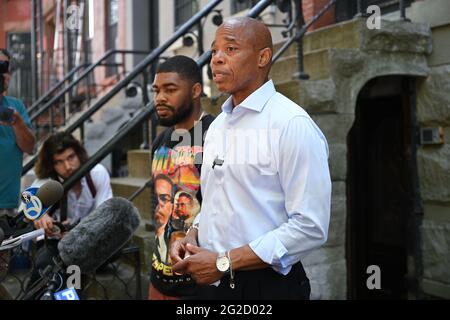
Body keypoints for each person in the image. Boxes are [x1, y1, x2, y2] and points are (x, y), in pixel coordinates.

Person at [170, 17, 332, 300]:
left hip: (265, 287)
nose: (216, 59)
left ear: (262, 57)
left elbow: (310, 227)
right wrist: (193, 235)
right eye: (214, 50)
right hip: (208, 284)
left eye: (230, 49)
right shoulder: (218, 125)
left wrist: (224, 262)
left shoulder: (291, 124)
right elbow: (216, 202)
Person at [148, 55, 215, 300]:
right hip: (160, 278)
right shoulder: (160, 142)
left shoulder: (215, 136)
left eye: (170, 89)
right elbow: (156, 204)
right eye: (156, 90)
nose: (160, 98)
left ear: (196, 90)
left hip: (201, 284)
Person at [27, 132, 113, 289]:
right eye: (59, 162)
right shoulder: (47, 182)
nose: (67, 166)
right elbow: (27, 200)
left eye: (71, 157)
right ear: (51, 165)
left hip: (89, 242)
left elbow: (105, 215)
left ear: (79, 154)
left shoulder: (97, 173)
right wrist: (39, 214)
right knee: (45, 271)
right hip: (55, 246)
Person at [0, 48, 36, 218]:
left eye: (4, 67)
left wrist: (17, 122)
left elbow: (30, 148)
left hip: (8, 207)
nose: (2, 73)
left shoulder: (16, 107)